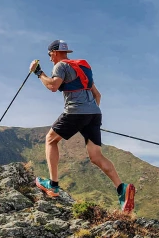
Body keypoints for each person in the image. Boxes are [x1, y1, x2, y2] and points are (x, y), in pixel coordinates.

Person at [30, 40, 136, 213]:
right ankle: (121, 188)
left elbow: (52, 86)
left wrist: (38, 72)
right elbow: (97, 94)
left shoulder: (60, 66)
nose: (50, 59)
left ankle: (53, 185)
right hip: (94, 113)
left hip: (76, 111)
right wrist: (89, 119)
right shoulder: (83, 68)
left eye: (49, 55)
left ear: (55, 52)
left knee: (50, 140)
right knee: (96, 156)